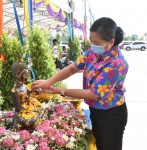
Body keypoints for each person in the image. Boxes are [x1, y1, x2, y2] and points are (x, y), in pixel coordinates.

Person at [32, 17, 129, 150]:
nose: (92, 44)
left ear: (111, 42)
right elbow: (73, 68)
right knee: (99, 145)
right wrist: (49, 81)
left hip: (111, 114)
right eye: (91, 40)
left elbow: (92, 93)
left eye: (96, 42)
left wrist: (59, 90)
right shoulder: (93, 52)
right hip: (96, 109)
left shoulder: (117, 63)